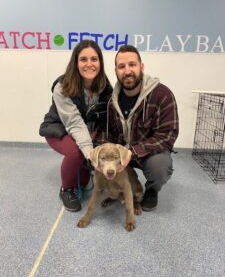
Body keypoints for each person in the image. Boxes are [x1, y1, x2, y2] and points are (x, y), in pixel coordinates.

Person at [39, 40, 112, 212]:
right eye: (83, 59)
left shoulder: (104, 85)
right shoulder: (62, 87)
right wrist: (92, 155)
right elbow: (75, 123)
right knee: (77, 152)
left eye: (94, 59)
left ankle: (83, 171)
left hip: (86, 131)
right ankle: (66, 189)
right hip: (58, 129)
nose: (89, 64)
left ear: (100, 62)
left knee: (85, 175)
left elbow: (107, 116)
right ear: (76, 62)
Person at [106, 45, 179, 211]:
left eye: (132, 64)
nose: (127, 71)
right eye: (121, 66)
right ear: (116, 71)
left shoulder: (163, 95)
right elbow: (110, 135)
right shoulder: (112, 101)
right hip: (123, 152)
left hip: (149, 153)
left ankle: (152, 189)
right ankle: (122, 183)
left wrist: (134, 150)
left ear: (141, 67)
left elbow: (168, 135)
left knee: (160, 166)